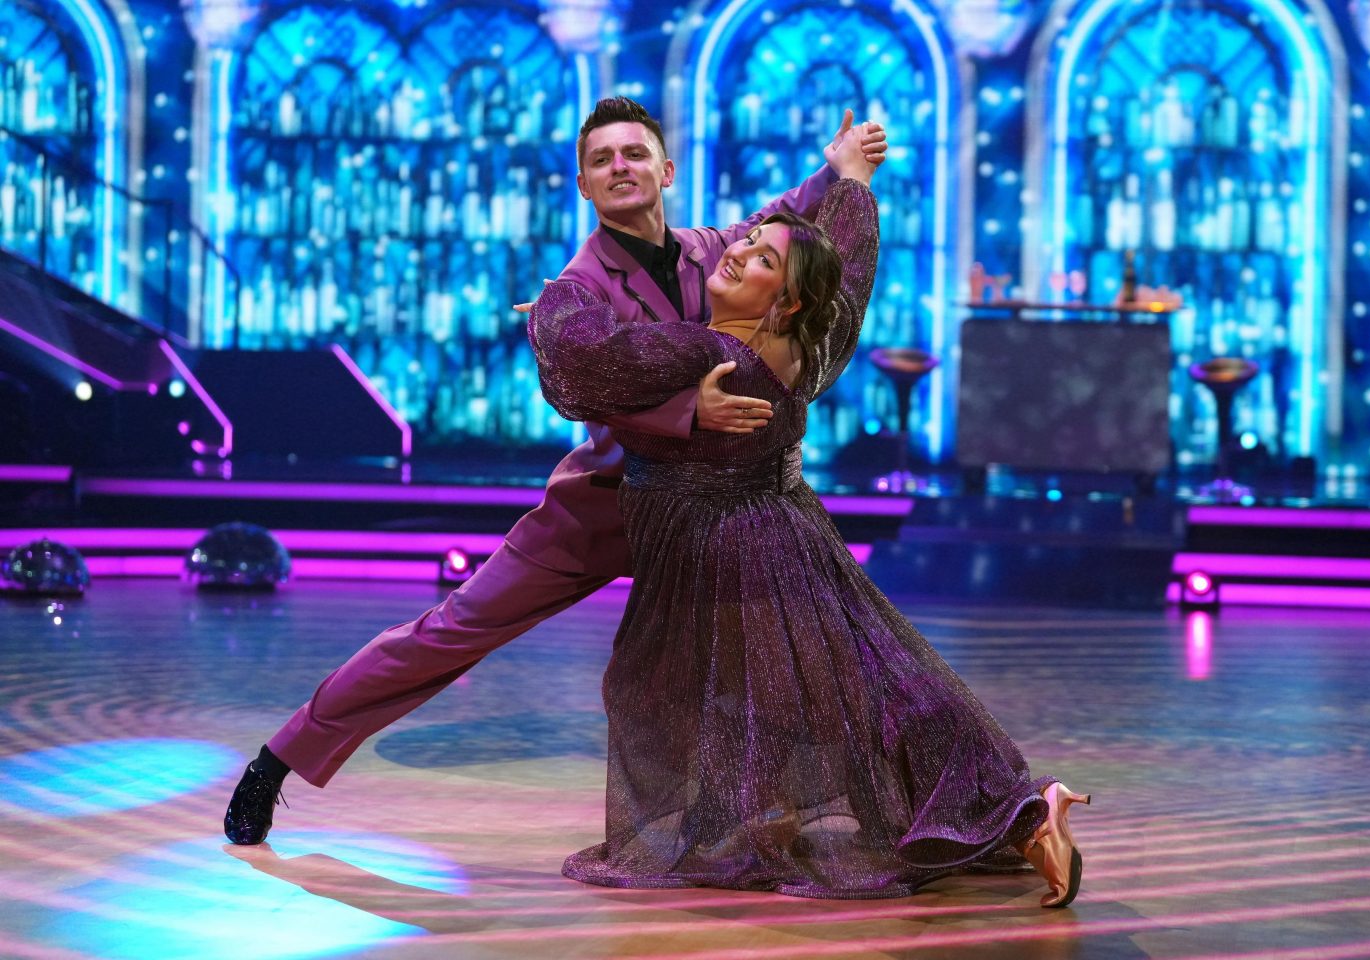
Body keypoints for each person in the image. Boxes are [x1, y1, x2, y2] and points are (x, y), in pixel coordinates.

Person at [222, 98, 888, 846]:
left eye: (633, 154)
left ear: (665, 170)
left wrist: (834, 172)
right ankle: (278, 761)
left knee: (787, 642)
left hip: (712, 514)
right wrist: (683, 414)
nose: (620, 168)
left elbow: (784, 222)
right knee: (452, 630)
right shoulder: (576, 289)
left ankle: (766, 802)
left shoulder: (711, 251)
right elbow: (590, 383)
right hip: (608, 506)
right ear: (584, 185)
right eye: (602, 160)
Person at [527, 121, 1090, 904]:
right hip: (744, 549)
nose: (740, 250)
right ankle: (792, 819)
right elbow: (850, 274)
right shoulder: (801, 348)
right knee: (813, 695)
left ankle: (1023, 808)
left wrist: (556, 308)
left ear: (784, 301)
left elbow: (593, 361)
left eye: (761, 259)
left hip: (744, 558)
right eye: (749, 239)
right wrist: (849, 182)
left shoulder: (715, 357)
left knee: (841, 699)